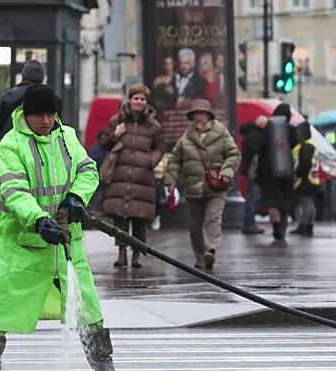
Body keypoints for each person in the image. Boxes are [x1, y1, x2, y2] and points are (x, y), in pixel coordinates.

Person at [0, 84, 116, 371]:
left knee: (87, 303)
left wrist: (77, 197)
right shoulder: (11, 145)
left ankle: (102, 361)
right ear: (27, 114)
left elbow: (88, 170)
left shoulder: (67, 137)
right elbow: (14, 190)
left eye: (51, 114)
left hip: (64, 240)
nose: (47, 121)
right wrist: (37, 219)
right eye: (40, 115)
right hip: (18, 243)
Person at [164, 99, 240, 269]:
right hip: (193, 187)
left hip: (216, 186)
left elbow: (233, 154)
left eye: (202, 113)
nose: (199, 117)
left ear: (209, 115)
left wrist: (226, 172)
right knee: (194, 224)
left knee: (213, 217)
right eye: (195, 114)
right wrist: (171, 182)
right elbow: (175, 160)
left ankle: (210, 250)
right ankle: (200, 256)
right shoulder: (186, 137)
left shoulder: (221, 133)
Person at [97, 84, 165, 268]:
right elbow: (103, 142)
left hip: (142, 177)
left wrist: (151, 160)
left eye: (142, 99)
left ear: (146, 101)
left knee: (139, 218)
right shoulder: (117, 120)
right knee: (120, 217)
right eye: (136, 98)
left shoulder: (153, 125)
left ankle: (136, 255)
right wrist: (115, 134)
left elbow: (160, 146)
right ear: (130, 99)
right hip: (120, 174)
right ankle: (121, 254)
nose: (139, 102)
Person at [255, 103, 299, 241]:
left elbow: (260, 146)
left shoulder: (268, 128)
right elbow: (295, 142)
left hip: (268, 171)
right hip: (286, 170)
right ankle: (282, 229)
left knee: (272, 202)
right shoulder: (291, 130)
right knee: (285, 203)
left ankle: (276, 225)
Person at [0, 60, 45, 152]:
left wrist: (0, 151)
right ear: (42, 78)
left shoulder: (7, 98)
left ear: (23, 76)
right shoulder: (47, 99)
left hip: (10, 150)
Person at [239, 115, 268, 234]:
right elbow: (258, 155)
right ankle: (249, 223)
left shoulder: (248, 135)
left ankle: (249, 222)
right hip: (254, 171)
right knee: (253, 197)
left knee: (252, 196)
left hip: (249, 170)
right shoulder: (257, 136)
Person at [290, 121, 320, 236]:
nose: (298, 135)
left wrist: (298, 173)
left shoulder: (306, 146)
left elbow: (305, 164)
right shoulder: (312, 144)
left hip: (306, 179)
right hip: (313, 178)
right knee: (309, 203)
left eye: (299, 132)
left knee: (305, 203)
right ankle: (307, 225)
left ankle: (305, 226)